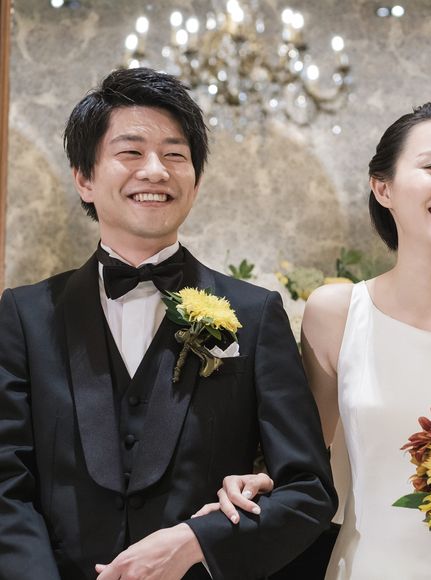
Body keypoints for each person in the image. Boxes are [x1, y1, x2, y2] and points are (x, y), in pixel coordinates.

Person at [208, 99, 431, 578]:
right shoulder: (335, 313)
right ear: (383, 187)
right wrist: (258, 483)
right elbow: (305, 463)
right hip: (367, 564)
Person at [0, 67, 336, 580]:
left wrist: (198, 541)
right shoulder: (26, 315)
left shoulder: (254, 313)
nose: (155, 171)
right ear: (84, 179)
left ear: (195, 182)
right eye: (131, 152)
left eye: (175, 155)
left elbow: (308, 491)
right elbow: (7, 484)